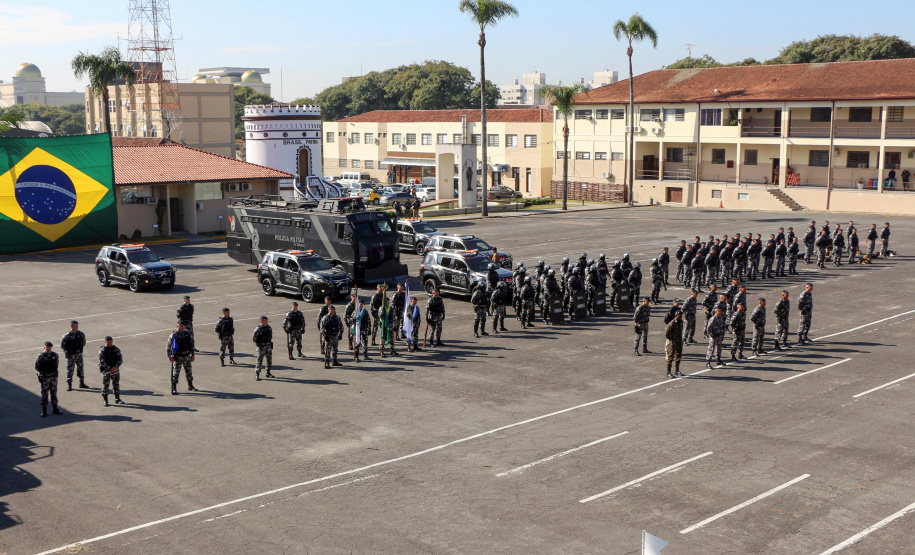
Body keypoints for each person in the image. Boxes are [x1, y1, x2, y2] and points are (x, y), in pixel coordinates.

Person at [167, 322, 196, 394]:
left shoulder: (187, 333)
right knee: (176, 373)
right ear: (177, 326)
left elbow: (191, 344)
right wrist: (169, 356)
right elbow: (168, 345)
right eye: (180, 326)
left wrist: (193, 354)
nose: (182, 327)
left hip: (186, 355)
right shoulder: (174, 335)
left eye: (183, 326)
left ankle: (190, 385)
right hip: (178, 356)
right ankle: (174, 387)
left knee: (189, 371)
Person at [35, 341, 63, 417]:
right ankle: (44, 411)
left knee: (54, 393)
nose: (49, 349)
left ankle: (55, 409)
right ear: (44, 347)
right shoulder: (40, 356)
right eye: (47, 347)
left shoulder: (55, 355)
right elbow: (37, 367)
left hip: (53, 377)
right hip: (45, 378)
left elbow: (56, 364)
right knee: (44, 394)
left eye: (50, 347)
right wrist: (44, 370)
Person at [61, 320, 88, 390]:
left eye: (77, 325)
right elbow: (62, 345)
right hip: (70, 355)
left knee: (80, 369)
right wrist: (68, 351)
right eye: (74, 325)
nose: (76, 327)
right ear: (71, 326)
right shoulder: (67, 335)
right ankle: (69, 385)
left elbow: (83, 343)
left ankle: (82, 383)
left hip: (79, 354)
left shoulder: (81, 334)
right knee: (70, 370)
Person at [98, 336, 123, 406]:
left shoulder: (115, 349)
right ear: (105, 342)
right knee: (106, 385)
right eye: (109, 341)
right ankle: (105, 400)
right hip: (106, 370)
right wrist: (109, 368)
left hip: (115, 369)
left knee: (116, 384)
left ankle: (117, 398)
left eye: (111, 341)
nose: (110, 343)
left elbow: (120, 359)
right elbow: (102, 361)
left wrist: (116, 367)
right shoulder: (102, 350)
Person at [665, 311, 684, 378]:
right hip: (673, 342)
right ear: (676, 315)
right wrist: (670, 339)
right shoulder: (672, 323)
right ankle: (669, 372)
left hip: (679, 341)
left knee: (678, 356)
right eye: (679, 315)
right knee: (670, 357)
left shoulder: (681, 322)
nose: (681, 317)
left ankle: (677, 370)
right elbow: (667, 333)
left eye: (681, 315)